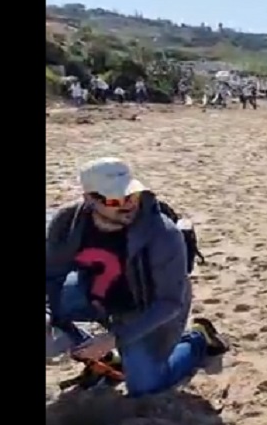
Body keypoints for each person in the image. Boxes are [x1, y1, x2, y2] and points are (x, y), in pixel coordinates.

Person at [45, 157, 228, 396]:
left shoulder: (163, 233)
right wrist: (49, 313)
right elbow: (52, 275)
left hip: (148, 308)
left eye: (132, 195)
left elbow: (170, 302)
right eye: (115, 200)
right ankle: (106, 357)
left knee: (145, 386)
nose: (128, 205)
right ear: (90, 199)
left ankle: (199, 340)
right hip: (96, 293)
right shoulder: (67, 222)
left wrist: (115, 338)